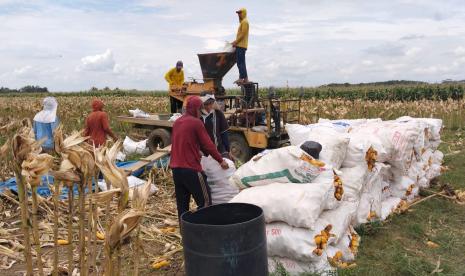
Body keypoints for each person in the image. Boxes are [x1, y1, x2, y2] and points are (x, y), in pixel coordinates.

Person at [170, 96, 229, 219]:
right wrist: (221, 160)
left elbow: (182, 143)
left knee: (182, 207)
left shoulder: (177, 122)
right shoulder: (196, 122)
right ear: (196, 109)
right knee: (205, 203)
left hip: (176, 170)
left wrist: (196, 150)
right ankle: (204, 232)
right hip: (191, 169)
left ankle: (185, 234)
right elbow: (208, 145)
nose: (201, 111)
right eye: (200, 109)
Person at [200, 94, 231, 159]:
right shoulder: (198, 116)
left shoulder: (218, 114)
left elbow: (224, 134)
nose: (209, 107)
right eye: (206, 104)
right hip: (202, 152)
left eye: (211, 104)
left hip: (218, 149)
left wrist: (228, 150)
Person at [232, 8, 249, 84]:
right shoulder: (243, 22)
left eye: (240, 13)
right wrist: (235, 42)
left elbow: (243, 34)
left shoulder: (245, 22)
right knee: (242, 62)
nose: (239, 14)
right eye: (238, 13)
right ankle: (245, 78)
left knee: (240, 63)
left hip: (241, 45)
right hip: (241, 45)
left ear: (244, 13)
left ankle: (241, 78)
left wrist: (236, 42)